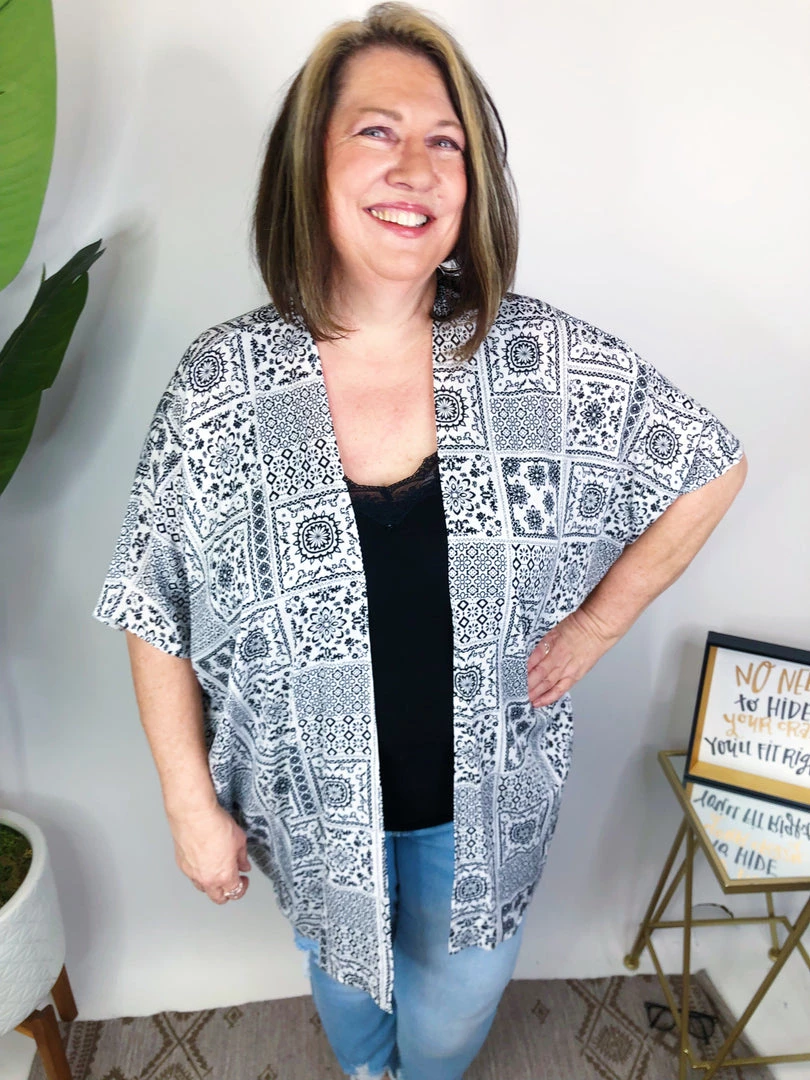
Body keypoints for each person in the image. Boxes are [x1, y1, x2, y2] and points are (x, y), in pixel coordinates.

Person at [94, 4, 747, 1078]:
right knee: (347, 991)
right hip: (307, 809)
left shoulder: (537, 362)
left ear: (471, 185)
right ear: (308, 163)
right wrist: (188, 804)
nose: (415, 168)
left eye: (446, 142)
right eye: (376, 131)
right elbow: (149, 599)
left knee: (451, 1018)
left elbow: (709, 464)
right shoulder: (222, 387)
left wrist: (594, 628)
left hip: (482, 806)